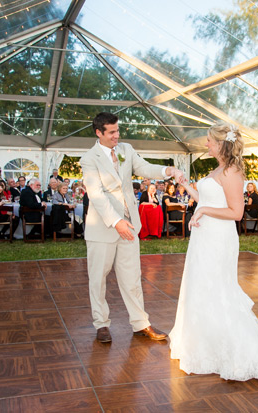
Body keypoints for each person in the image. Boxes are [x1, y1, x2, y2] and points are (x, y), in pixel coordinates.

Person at [169, 122, 258, 381]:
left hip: (219, 238)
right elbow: (207, 200)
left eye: (209, 140)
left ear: (221, 143)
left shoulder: (232, 171)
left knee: (218, 288)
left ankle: (234, 351)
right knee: (201, 287)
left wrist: (204, 211)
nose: (206, 143)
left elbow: (236, 213)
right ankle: (204, 344)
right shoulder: (219, 168)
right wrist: (187, 187)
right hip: (204, 237)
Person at [79, 112, 183, 343]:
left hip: (130, 226)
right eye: (112, 132)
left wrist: (168, 171)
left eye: (118, 130)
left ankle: (140, 323)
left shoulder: (126, 150)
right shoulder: (89, 159)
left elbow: (145, 168)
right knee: (98, 278)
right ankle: (101, 324)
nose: (117, 135)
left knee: (132, 277)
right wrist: (117, 222)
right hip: (103, 228)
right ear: (99, 133)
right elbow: (96, 195)